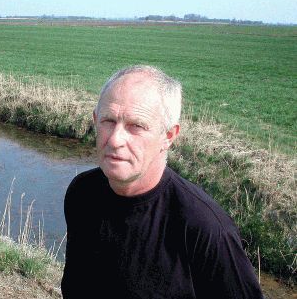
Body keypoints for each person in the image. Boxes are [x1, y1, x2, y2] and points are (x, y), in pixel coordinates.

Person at [61, 66, 264, 299]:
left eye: (136, 126)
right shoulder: (82, 193)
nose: (115, 139)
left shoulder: (205, 229)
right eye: (108, 120)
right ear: (95, 120)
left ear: (168, 136)